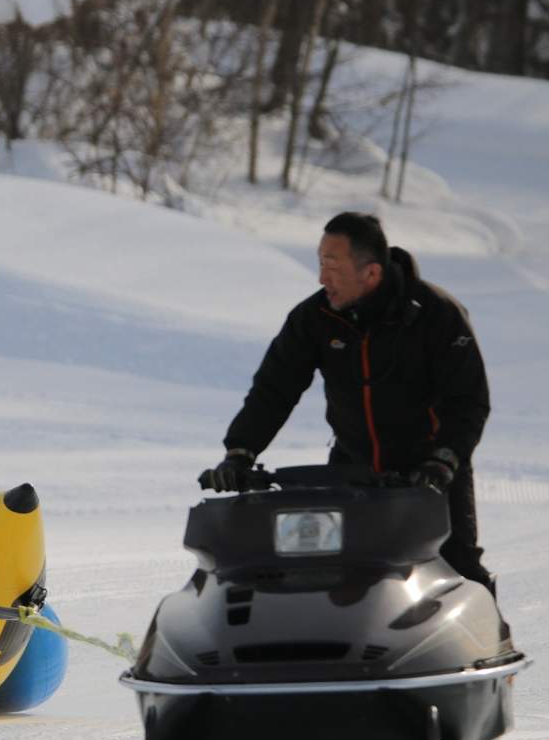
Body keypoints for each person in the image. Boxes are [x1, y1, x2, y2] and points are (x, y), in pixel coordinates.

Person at [200, 212, 494, 593]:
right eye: (320, 262)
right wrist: (239, 451)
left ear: (370, 273)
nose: (322, 277)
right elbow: (274, 389)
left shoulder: (436, 315)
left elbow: (468, 400)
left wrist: (444, 460)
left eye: (331, 265)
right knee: (331, 575)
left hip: (431, 472)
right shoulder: (314, 317)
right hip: (352, 470)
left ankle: (490, 644)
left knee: (459, 573)